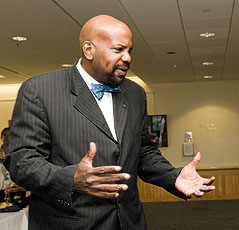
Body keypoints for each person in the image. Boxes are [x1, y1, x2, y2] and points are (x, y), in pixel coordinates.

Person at [4, 15, 215, 230]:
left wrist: (173, 176)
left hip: (128, 222)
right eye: (118, 49)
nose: (128, 58)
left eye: (129, 51)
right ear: (89, 50)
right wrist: (71, 179)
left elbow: (143, 151)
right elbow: (22, 162)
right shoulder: (40, 90)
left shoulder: (135, 93)